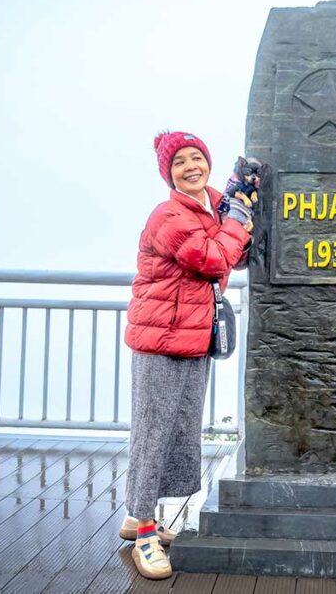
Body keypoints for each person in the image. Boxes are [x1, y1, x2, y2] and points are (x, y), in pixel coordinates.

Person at [120, 130, 254, 579]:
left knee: (178, 433)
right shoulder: (168, 215)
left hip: (194, 338)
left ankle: (138, 516)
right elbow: (213, 259)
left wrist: (242, 214)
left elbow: (236, 255)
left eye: (197, 157)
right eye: (180, 162)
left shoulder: (213, 206)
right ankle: (144, 534)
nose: (191, 166)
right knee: (154, 433)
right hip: (160, 339)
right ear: (169, 174)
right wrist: (235, 222)